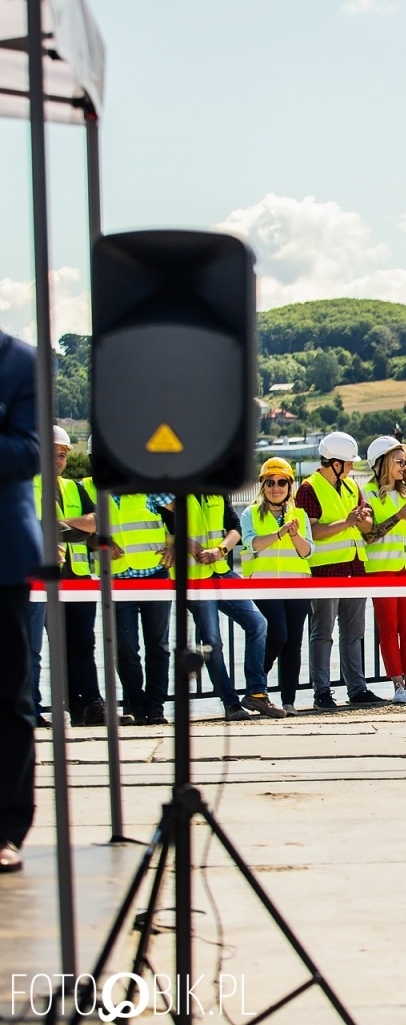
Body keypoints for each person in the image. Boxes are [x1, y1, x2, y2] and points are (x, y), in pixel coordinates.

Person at [154, 492, 277, 719]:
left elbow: (235, 527)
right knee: (213, 641)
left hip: (220, 570)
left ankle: (256, 693)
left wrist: (219, 550)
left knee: (258, 623)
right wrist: (179, 542)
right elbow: (155, 531)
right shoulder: (169, 493)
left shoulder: (216, 491)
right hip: (192, 578)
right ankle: (231, 703)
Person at [298, 431, 381, 709]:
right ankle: (321, 692)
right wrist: (347, 523)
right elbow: (314, 531)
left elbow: (368, 526)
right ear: (334, 463)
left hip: (355, 568)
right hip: (325, 570)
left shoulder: (351, 487)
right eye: (348, 463)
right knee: (322, 633)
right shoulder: (308, 489)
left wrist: (363, 519)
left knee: (354, 631)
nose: (352, 468)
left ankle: (357, 689)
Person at [30, 426, 103, 725]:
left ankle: (88, 707)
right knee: (34, 647)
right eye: (53, 453)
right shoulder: (23, 486)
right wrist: (68, 529)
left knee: (83, 644)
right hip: (40, 579)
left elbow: (96, 521)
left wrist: (52, 525)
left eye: (63, 455)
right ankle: (31, 710)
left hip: (78, 578)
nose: (59, 460)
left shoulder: (75, 488)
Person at [0, 326, 39, 874]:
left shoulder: (21, 362)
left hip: (1, 557)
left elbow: (30, 452)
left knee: (7, 696)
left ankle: (6, 828)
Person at [241, 458, 313, 713]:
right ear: (262, 486)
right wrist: (280, 533)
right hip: (265, 586)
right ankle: (256, 686)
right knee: (278, 635)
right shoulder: (250, 513)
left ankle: (289, 702)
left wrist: (294, 535)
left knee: (293, 643)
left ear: (289, 486)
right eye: (270, 483)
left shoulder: (300, 516)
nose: (275, 487)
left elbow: (307, 553)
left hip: (297, 586)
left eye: (281, 482)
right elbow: (252, 544)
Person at [362, 437, 406, 702]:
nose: (405, 467)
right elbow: (368, 535)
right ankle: (398, 685)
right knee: (388, 628)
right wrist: (398, 518)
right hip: (381, 569)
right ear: (383, 462)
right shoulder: (365, 492)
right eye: (400, 462)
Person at [107, 479, 171, 725]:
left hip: (154, 575)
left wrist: (174, 545)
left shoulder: (149, 487)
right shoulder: (95, 490)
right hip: (119, 578)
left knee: (158, 646)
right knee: (125, 648)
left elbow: (182, 513)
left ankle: (155, 708)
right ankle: (135, 705)